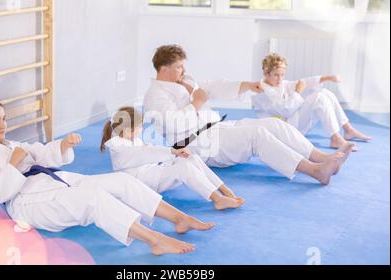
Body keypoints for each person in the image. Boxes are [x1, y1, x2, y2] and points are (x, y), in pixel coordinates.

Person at [0, 99, 215, 256]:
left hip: (54, 183)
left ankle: (180, 218)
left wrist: (64, 146)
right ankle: (154, 240)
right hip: (29, 204)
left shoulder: (10, 144)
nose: (3, 125)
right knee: (92, 197)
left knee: (122, 181)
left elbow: (42, 153)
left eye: (4, 119)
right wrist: (13, 167)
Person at [143, 45, 354, 185]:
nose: (183, 69)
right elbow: (173, 125)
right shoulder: (155, 95)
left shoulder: (183, 82)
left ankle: (322, 157)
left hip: (216, 127)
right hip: (197, 143)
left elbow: (212, 87)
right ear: (163, 69)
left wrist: (248, 86)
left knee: (272, 124)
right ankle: (315, 171)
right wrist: (196, 104)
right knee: (256, 135)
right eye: (179, 66)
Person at [101, 106, 245, 211]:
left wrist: (174, 154)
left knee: (190, 158)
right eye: (140, 127)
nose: (142, 129)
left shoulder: (130, 140)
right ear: (129, 130)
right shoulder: (119, 148)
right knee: (183, 167)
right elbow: (146, 152)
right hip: (144, 182)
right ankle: (217, 199)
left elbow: (147, 150)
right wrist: (172, 151)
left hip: (151, 173)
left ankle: (223, 189)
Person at [251, 53, 372, 150]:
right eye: (276, 75)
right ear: (266, 73)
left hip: (293, 123)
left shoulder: (281, 84)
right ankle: (335, 138)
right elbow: (285, 111)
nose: (280, 79)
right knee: (319, 98)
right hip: (283, 132)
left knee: (325, 93)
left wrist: (328, 77)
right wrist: (297, 92)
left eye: (282, 74)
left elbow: (303, 82)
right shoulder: (260, 92)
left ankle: (348, 129)